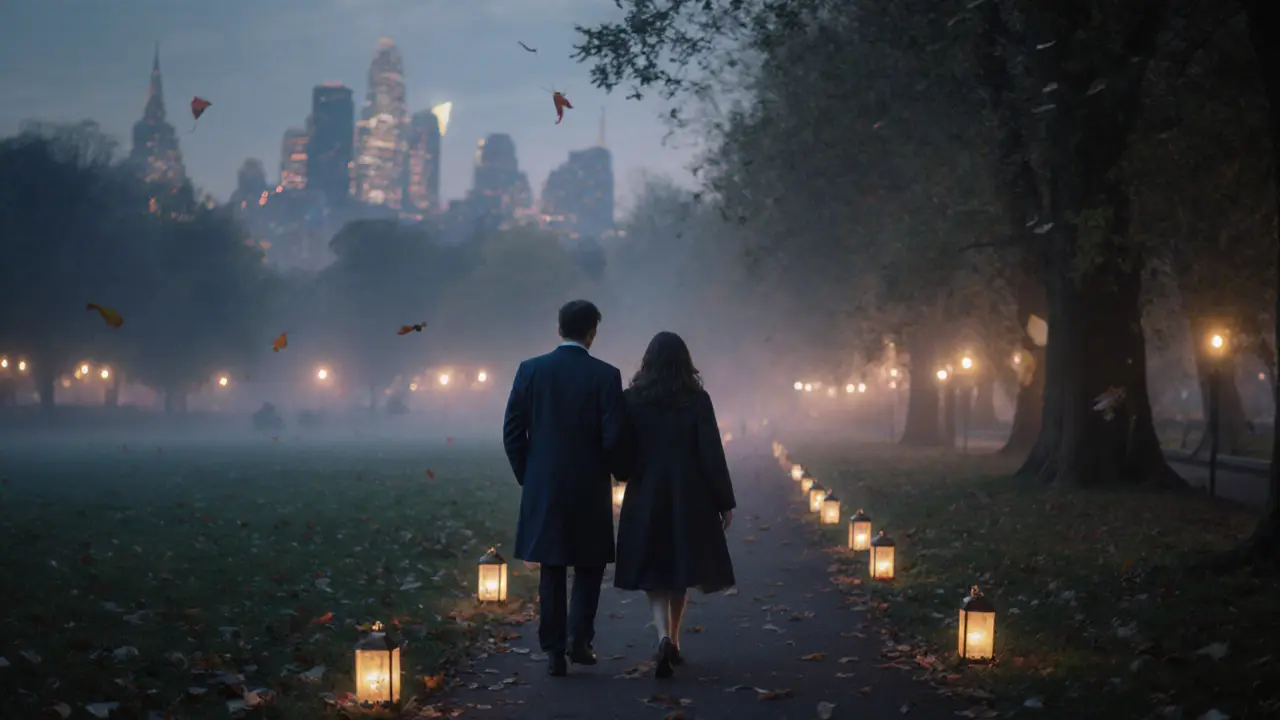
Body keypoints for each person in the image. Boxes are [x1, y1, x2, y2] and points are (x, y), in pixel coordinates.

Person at [502, 299, 627, 677]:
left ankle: (553, 649)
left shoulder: (531, 370)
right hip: (589, 485)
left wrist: (530, 474)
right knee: (589, 566)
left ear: (559, 330)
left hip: (545, 484)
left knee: (551, 568)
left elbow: (512, 431)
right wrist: (618, 472)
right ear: (592, 333)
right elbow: (614, 435)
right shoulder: (606, 376)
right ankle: (579, 640)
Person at [613, 331, 737, 679]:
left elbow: (622, 449)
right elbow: (711, 452)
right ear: (685, 361)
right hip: (689, 494)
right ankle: (677, 638)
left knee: (654, 569)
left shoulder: (631, 400)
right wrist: (724, 501)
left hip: (647, 492)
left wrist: (623, 474)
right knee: (680, 565)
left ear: (647, 362)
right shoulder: (697, 400)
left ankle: (663, 635)